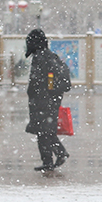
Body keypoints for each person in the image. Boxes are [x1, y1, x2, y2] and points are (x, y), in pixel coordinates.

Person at [25, 28, 71, 171]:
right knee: (44, 132)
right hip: (47, 101)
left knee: (44, 132)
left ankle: (56, 156)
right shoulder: (49, 55)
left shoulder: (41, 57)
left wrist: (42, 93)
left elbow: (38, 81)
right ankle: (50, 160)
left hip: (43, 102)